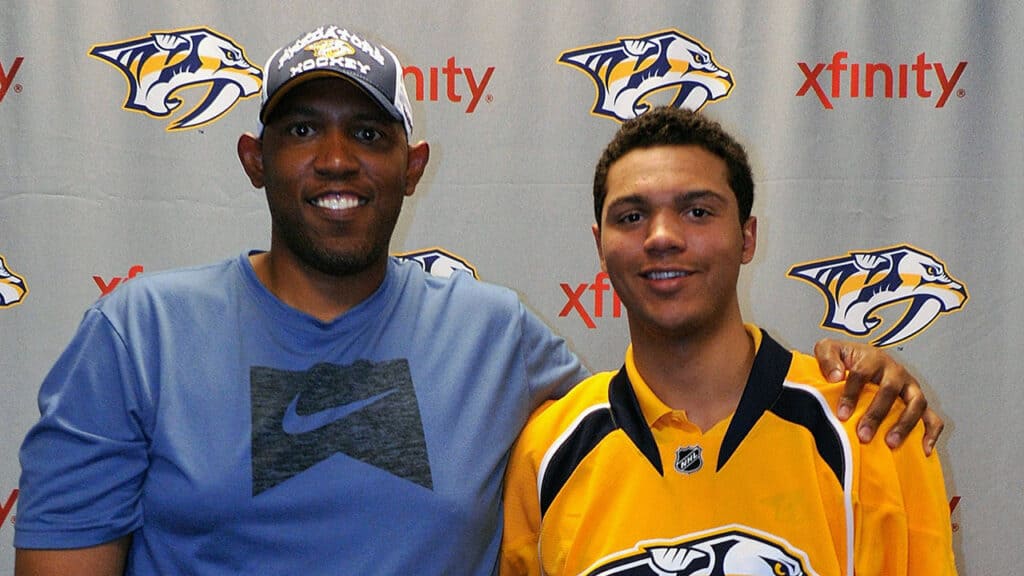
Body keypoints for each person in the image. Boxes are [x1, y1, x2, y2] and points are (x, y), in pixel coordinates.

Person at [15, 25, 939, 576]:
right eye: (303, 129)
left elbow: (659, 416)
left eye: (369, 133)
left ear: (411, 168)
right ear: (256, 159)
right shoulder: (138, 335)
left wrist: (861, 366)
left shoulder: (497, 339)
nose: (337, 160)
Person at [500, 106, 957, 575]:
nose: (662, 236)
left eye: (697, 212)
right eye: (632, 216)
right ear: (600, 245)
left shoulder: (870, 426)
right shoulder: (548, 451)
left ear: (747, 237)